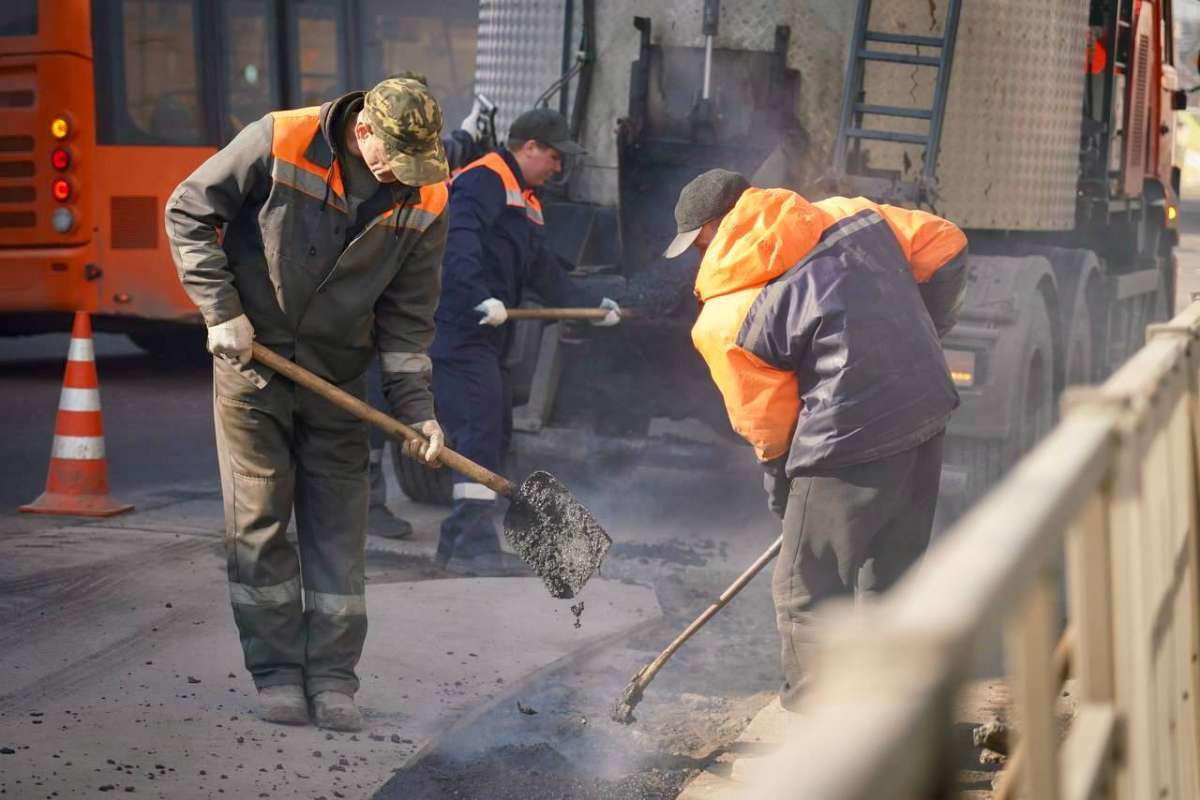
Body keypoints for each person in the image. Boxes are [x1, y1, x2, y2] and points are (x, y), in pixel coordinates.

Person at [164, 77, 450, 731]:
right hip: (253, 368)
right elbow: (187, 210)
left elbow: (408, 320)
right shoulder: (280, 138)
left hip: (339, 381)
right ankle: (276, 675)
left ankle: (332, 679)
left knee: (339, 533)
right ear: (364, 131)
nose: (399, 177)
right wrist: (222, 311)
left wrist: (417, 410)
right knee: (260, 524)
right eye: (391, 160)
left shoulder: (428, 193)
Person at [665, 169, 968, 710]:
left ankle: (818, 738)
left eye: (698, 241)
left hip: (845, 443)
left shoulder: (725, 315)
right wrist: (922, 332)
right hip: (925, 412)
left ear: (714, 227)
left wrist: (784, 493)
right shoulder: (849, 213)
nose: (699, 254)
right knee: (891, 578)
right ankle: (894, 721)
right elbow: (945, 245)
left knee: (805, 592)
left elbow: (768, 424)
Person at [430, 107, 621, 572]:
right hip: (459, 329)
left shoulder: (525, 200)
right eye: (554, 156)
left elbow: (544, 273)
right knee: (478, 429)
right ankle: (472, 550)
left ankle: (458, 542)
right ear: (529, 147)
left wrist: (594, 305)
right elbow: (458, 249)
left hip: (489, 336)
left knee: (494, 429)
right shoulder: (484, 181)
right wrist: (480, 299)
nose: (559, 167)